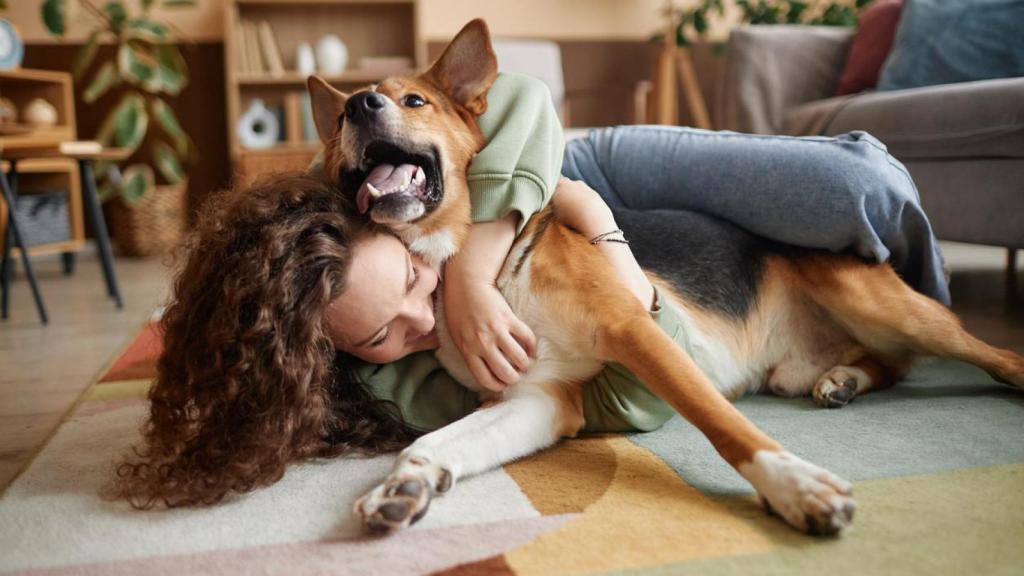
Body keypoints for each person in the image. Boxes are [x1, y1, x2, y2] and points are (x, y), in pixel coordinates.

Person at [112, 74, 948, 508]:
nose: (419, 310)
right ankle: (878, 356)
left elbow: (517, 101)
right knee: (852, 223)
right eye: (379, 335)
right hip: (643, 273)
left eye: (410, 281)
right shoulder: (333, 301)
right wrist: (431, 455)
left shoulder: (330, 185)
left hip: (565, 160)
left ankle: (914, 316)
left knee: (863, 192)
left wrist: (474, 269)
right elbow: (559, 402)